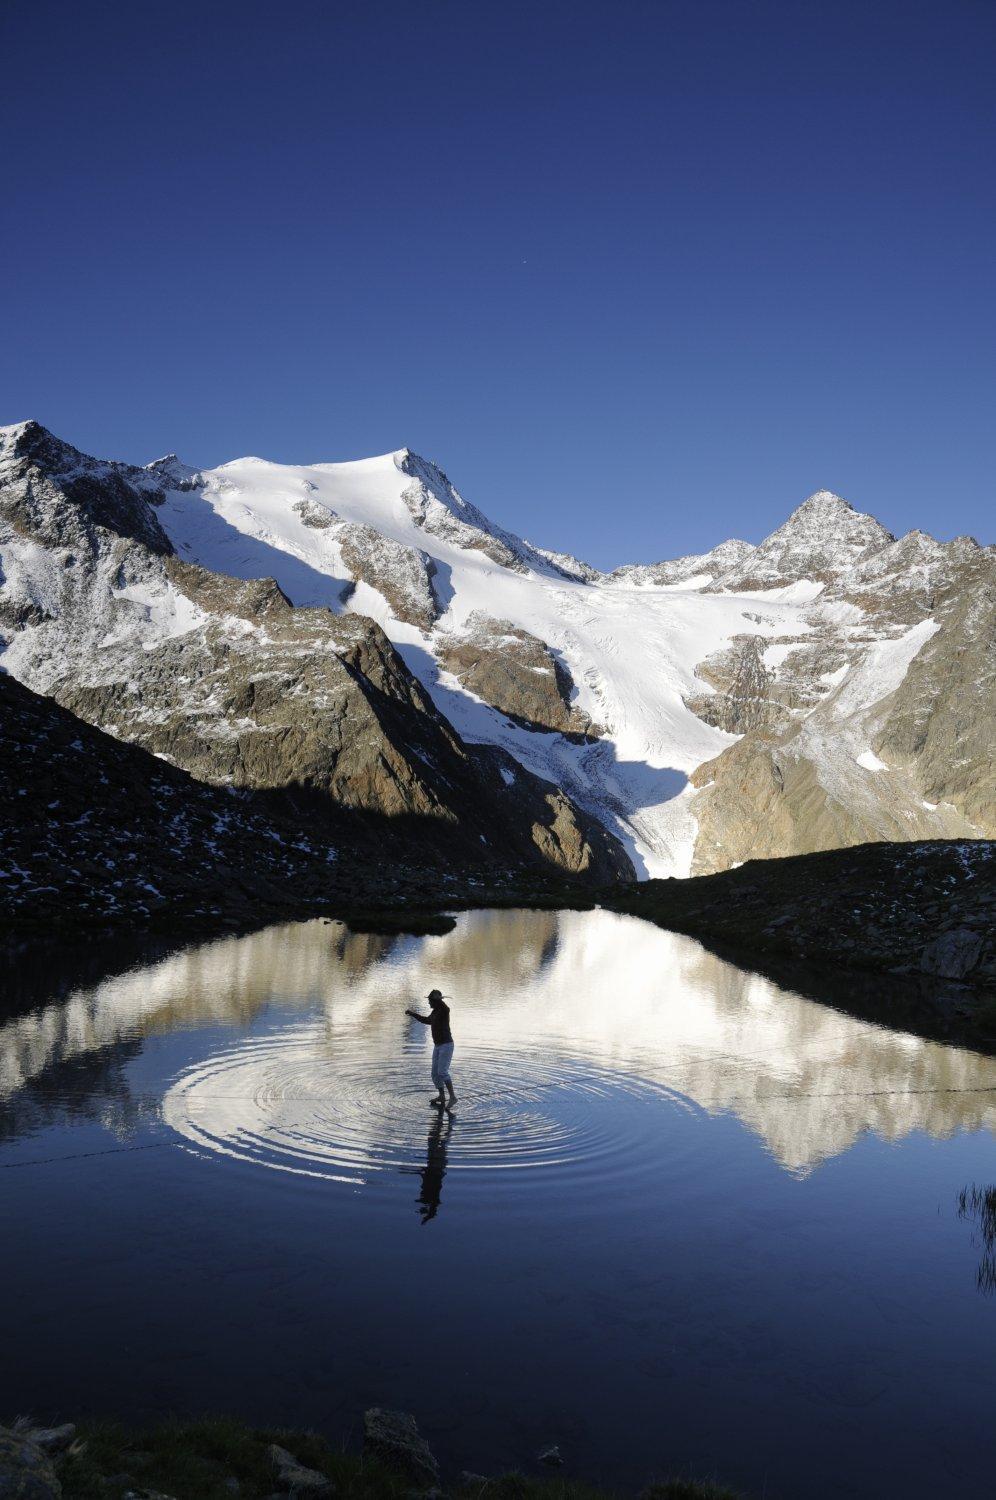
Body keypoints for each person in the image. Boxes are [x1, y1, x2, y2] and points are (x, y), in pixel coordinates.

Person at [405, 989, 457, 1110]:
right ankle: (442, 1096)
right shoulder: (435, 1012)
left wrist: (439, 999)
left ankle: (453, 1097)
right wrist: (412, 1014)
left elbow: (446, 1008)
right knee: (435, 1073)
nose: (429, 1003)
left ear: (435, 1001)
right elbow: (427, 1020)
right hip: (438, 1046)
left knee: (442, 1072)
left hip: (446, 1045)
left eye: (430, 1001)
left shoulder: (444, 1010)